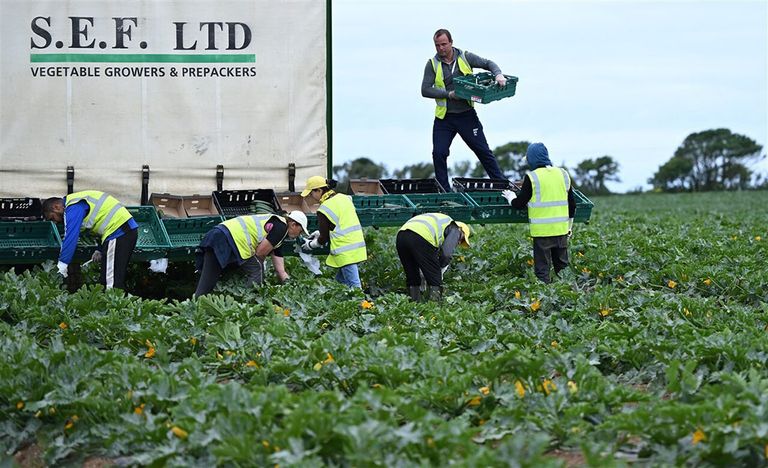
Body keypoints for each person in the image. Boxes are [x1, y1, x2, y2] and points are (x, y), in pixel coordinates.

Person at [421, 28, 507, 192]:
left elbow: (488, 63)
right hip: (444, 118)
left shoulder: (465, 57)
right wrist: (448, 94)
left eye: (444, 44)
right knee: (439, 153)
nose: (441, 49)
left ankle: (502, 187)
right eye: (437, 45)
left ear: (451, 43)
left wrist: (498, 75)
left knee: (482, 151)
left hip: (466, 116)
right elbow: (425, 90)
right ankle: (444, 192)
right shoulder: (432, 64)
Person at [502, 142, 576, 283]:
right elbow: (572, 205)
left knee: (542, 271)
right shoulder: (563, 174)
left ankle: (545, 298)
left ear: (532, 159)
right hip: (561, 232)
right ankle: (570, 298)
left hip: (542, 234)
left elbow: (520, 204)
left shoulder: (532, 177)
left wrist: (511, 198)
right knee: (563, 269)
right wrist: (569, 227)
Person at [193, 210, 309, 297]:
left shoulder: (279, 231)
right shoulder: (281, 228)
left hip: (220, 235)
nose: (300, 234)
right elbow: (260, 253)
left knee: (211, 277)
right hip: (225, 240)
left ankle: (207, 302)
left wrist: (291, 288)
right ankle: (248, 301)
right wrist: (261, 265)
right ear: (293, 224)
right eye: (301, 230)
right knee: (256, 269)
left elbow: (281, 271)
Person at [42, 191, 138, 290]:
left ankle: (114, 305)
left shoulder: (73, 207)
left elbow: (71, 237)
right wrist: (99, 249)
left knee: (111, 283)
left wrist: (62, 264)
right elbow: (101, 221)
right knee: (108, 279)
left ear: (56, 207)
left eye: (53, 217)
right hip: (122, 231)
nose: (56, 222)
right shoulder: (76, 201)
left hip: (118, 232)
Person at [300, 176, 367, 288]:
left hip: (345, 250)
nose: (310, 196)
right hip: (357, 245)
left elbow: (323, 239)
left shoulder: (323, 209)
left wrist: (311, 245)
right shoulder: (344, 198)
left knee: (355, 288)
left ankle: (362, 305)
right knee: (339, 284)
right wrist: (320, 232)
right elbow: (341, 222)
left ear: (319, 191)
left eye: (311, 193)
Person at [396, 213, 471, 301]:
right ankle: (434, 307)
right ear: (461, 232)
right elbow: (446, 254)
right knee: (435, 278)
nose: (458, 243)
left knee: (412, 275)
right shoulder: (456, 229)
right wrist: (439, 268)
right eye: (461, 240)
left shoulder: (441, 221)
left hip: (401, 236)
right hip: (421, 236)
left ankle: (413, 305)